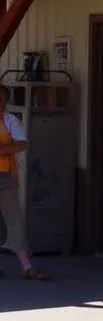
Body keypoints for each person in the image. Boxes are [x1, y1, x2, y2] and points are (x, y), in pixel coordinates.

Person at [0, 85, 49, 280]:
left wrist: (3, 150)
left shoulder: (10, 120)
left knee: (14, 221)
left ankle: (26, 266)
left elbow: (22, 143)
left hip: (5, 177)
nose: (1, 103)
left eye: (3, 99)